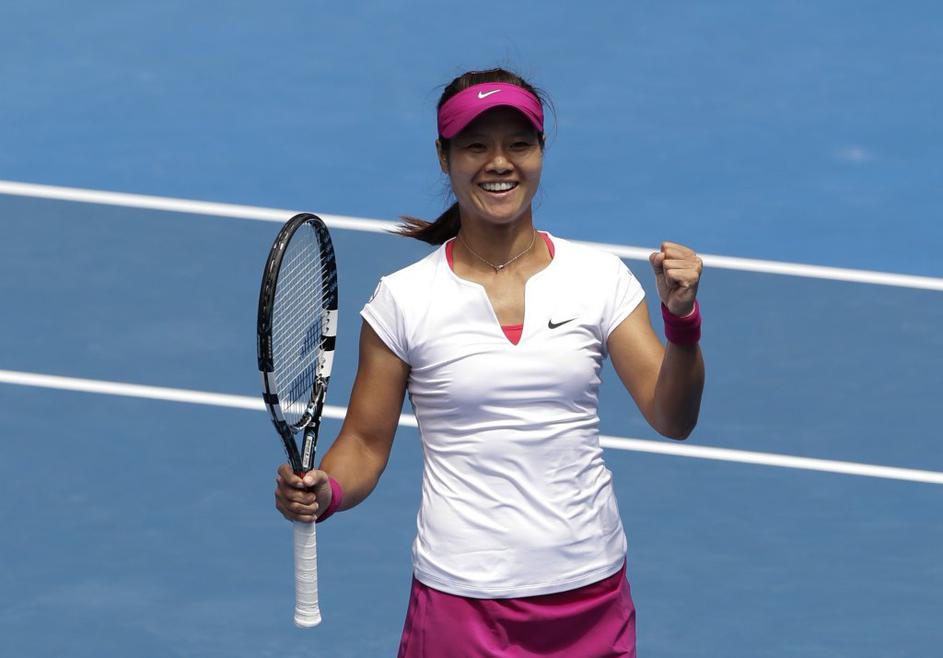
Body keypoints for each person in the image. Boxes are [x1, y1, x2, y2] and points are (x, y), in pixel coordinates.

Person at [274, 67, 705, 657]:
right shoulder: (403, 300)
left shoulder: (599, 279)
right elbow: (366, 445)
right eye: (476, 146)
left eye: (518, 145)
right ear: (444, 157)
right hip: (462, 604)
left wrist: (682, 322)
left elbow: (673, 416)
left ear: (541, 152)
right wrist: (328, 491)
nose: (499, 163)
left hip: (591, 595)